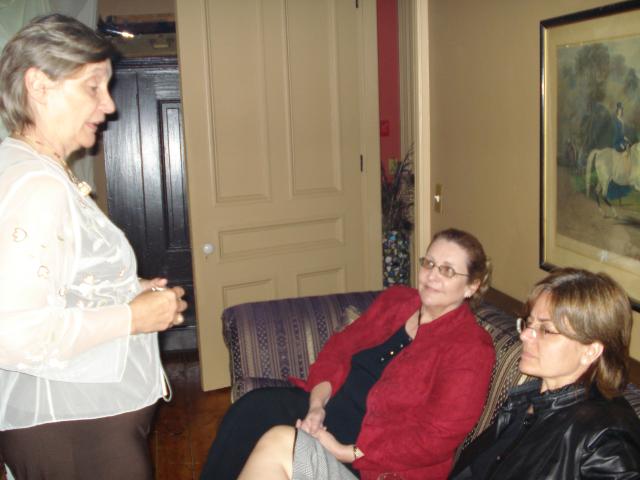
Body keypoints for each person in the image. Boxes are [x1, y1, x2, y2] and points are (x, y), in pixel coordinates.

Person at [0, 14, 187, 479]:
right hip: (73, 434)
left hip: (79, 425)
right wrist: (133, 317)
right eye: (93, 86)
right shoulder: (35, 185)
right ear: (39, 86)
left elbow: (54, 285)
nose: (109, 105)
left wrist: (125, 288)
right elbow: (14, 334)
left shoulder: (34, 169)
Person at [201, 228, 496, 480]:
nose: (432, 275)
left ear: (471, 286)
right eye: (429, 263)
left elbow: (434, 438)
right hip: (330, 413)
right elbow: (338, 350)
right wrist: (316, 406)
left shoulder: (471, 348)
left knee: (283, 442)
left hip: (377, 459)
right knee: (252, 409)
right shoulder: (397, 301)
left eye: (447, 270)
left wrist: (346, 452)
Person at [448, 268, 640, 479]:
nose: (525, 335)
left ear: (590, 351)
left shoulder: (607, 439)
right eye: (529, 323)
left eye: (546, 330)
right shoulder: (528, 401)